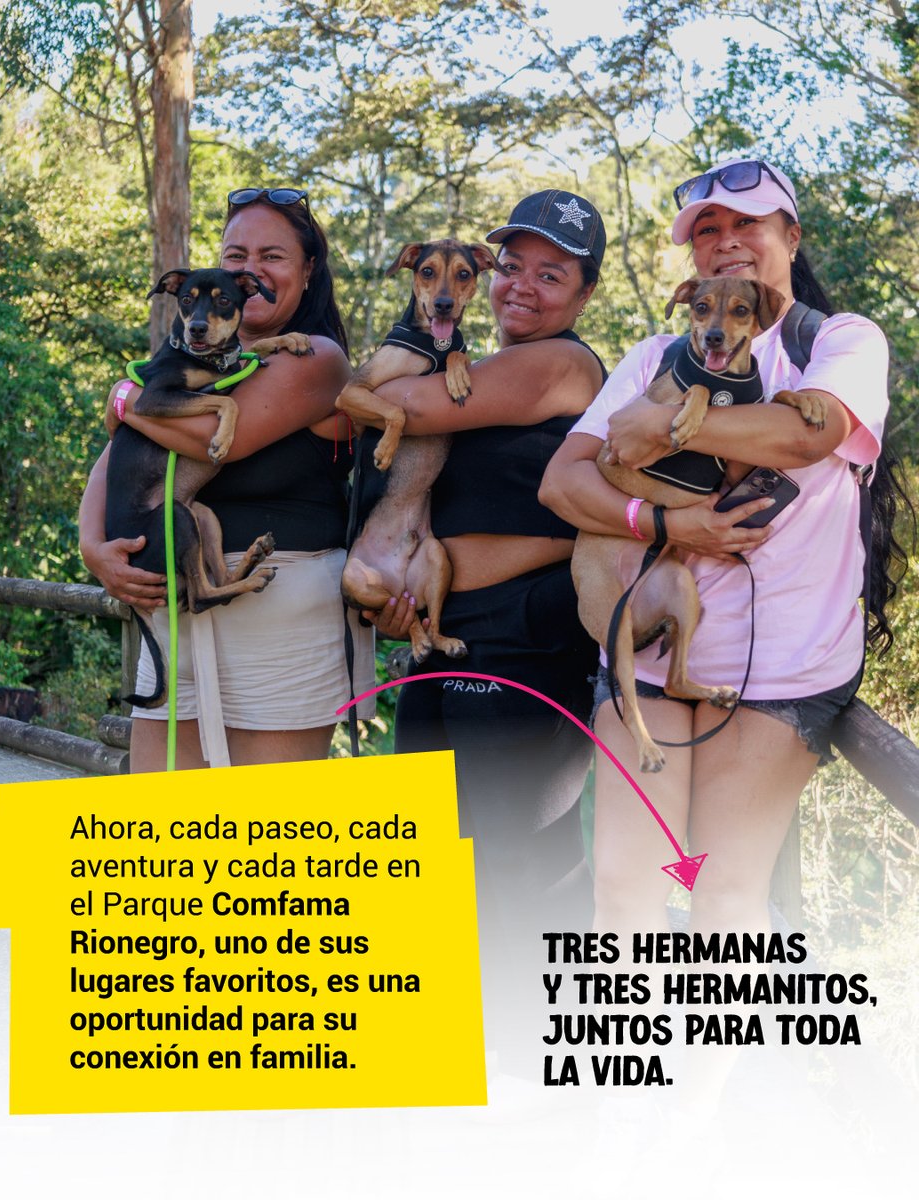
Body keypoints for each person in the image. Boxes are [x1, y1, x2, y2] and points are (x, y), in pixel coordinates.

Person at [540, 158, 902, 941]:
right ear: (693, 263)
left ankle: (722, 1068)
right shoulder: (652, 358)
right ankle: (632, 1063)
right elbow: (564, 483)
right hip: (650, 653)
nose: (728, 241)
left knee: (725, 903)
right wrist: (667, 526)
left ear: (790, 236)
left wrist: (664, 425)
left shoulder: (838, 342)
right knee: (624, 893)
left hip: (782, 666)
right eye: (709, 231)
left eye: (748, 224)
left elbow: (810, 435)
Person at [353, 190, 608, 1069]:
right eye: (516, 267)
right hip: (441, 636)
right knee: (435, 862)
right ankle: (449, 1068)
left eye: (555, 274)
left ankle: (557, 1079)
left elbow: (401, 407)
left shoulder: (561, 365)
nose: (524, 287)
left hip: (528, 645)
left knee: (524, 874)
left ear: (582, 297)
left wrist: (338, 382)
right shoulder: (476, 364)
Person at [79, 187, 373, 771]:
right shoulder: (211, 360)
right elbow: (119, 457)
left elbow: (221, 444)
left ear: (308, 270)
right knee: (163, 837)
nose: (251, 271)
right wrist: (93, 547)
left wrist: (126, 397)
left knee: (267, 842)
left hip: (280, 615)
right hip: (181, 606)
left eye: (273, 256)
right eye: (236, 255)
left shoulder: (317, 357)